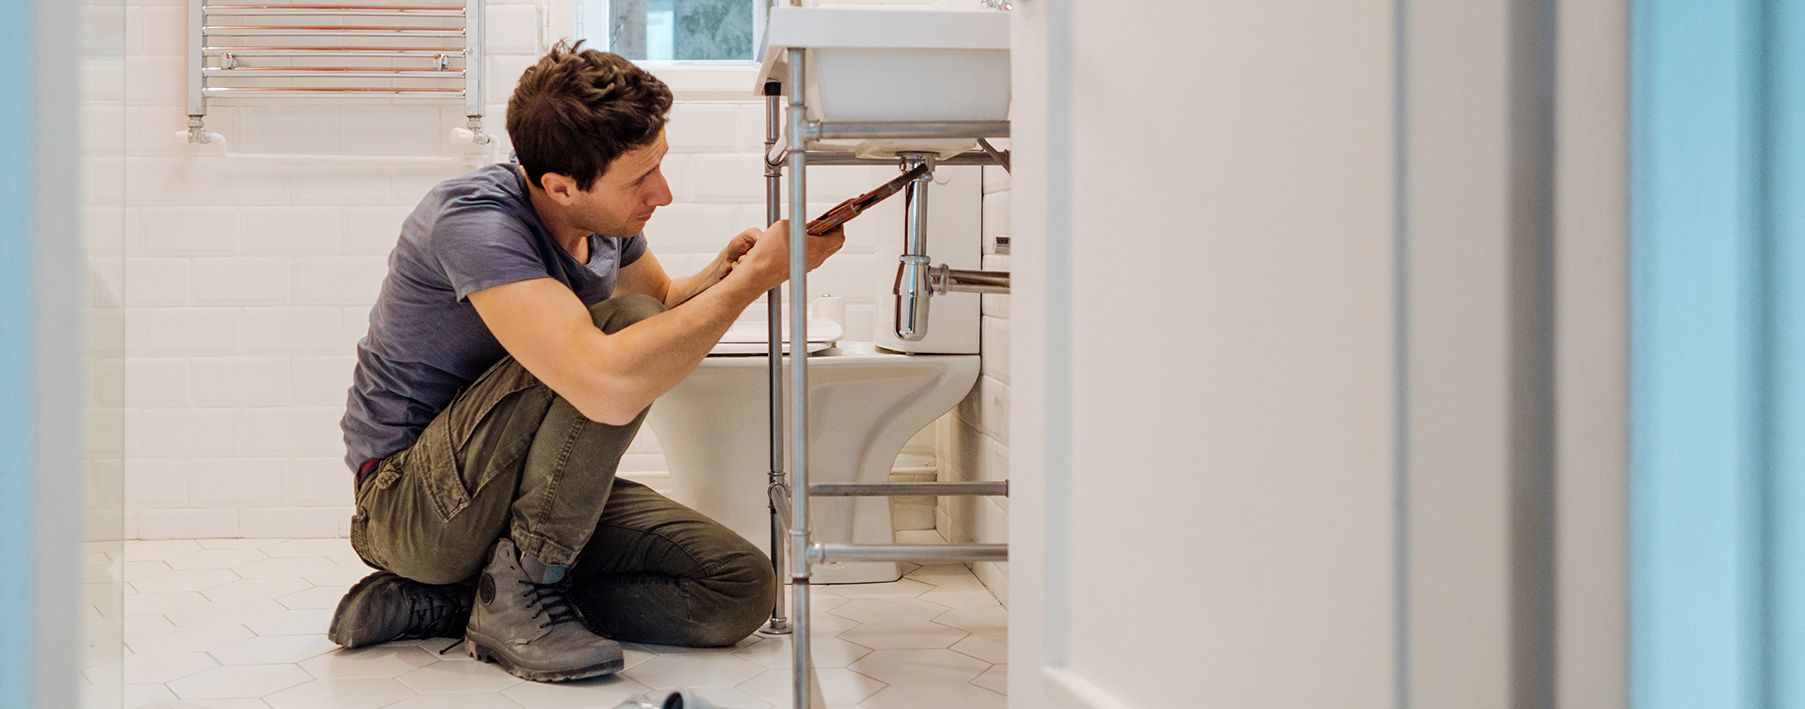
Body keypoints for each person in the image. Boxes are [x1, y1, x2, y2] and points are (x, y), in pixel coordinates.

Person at [327, 40, 845, 682]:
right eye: (640, 179)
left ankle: (472, 599)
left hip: (508, 487)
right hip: (412, 505)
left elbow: (662, 306)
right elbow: (606, 382)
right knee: (617, 339)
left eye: (659, 165)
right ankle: (525, 584)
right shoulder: (472, 220)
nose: (663, 193)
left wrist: (729, 271)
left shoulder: (606, 217)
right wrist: (753, 283)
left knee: (736, 587)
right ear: (560, 187)